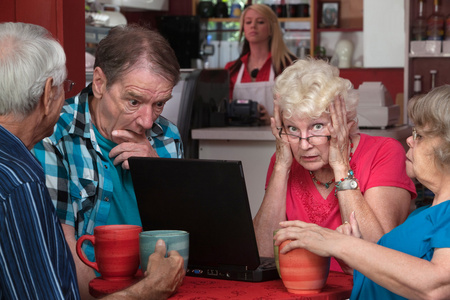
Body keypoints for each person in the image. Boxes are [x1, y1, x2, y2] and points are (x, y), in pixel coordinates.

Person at [0, 22, 184, 300]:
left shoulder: (167, 136)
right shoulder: (50, 131)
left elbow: (182, 239)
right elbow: (61, 257)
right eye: (133, 101)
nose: (148, 121)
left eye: (159, 104)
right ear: (99, 83)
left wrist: (156, 172)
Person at [274, 84, 450, 299]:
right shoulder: (423, 214)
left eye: (420, 135)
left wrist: (339, 244)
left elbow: (438, 287)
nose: (410, 140)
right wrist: (356, 248)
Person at [253, 58, 416, 272]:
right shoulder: (283, 161)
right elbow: (263, 255)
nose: (304, 144)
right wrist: (282, 166)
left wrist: (339, 165)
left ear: (347, 122)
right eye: (292, 129)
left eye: (317, 126)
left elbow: (378, 253)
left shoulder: (384, 152)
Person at [224, 4, 297, 124]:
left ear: (271, 29)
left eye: (260, 22)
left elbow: (300, 110)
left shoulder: (288, 67)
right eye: (248, 22)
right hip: (237, 139)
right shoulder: (231, 69)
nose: (253, 26)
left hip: (278, 139)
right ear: (243, 29)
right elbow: (224, 108)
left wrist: (274, 120)